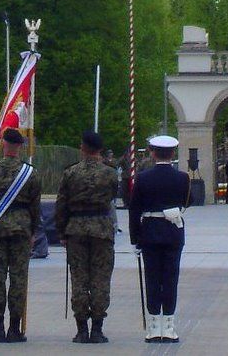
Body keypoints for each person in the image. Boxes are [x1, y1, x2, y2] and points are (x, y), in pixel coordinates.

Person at [55, 131, 118, 344]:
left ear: (82, 147)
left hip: (76, 230)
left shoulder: (70, 173)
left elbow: (61, 204)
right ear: (100, 149)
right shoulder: (110, 173)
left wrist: (62, 232)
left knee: (79, 278)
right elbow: (112, 197)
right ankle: (98, 329)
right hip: (101, 228)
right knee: (101, 279)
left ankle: (81, 329)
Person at [129, 135, 190, 343]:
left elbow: (134, 209)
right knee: (171, 278)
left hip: (150, 232)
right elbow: (187, 201)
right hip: (173, 232)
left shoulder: (143, 178)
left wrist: (135, 238)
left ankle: (154, 327)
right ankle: (169, 326)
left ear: (152, 153)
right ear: (173, 153)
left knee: (152, 278)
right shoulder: (183, 178)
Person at [0, 128, 41, 343]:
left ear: (3, 144)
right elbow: (35, 206)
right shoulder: (30, 173)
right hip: (22, 228)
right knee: (18, 278)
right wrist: (33, 230)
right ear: (20, 146)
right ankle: (15, 328)